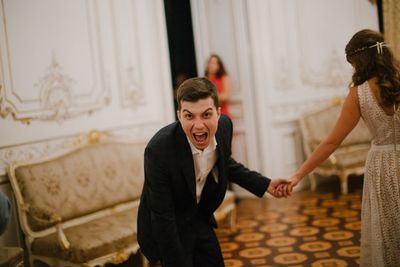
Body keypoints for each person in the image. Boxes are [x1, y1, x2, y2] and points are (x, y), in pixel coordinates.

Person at [137, 77, 290, 267]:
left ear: (218, 113)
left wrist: (265, 183)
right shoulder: (158, 150)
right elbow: (162, 215)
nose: (199, 125)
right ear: (179, 115)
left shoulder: (224, 128)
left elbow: (226, 163)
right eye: (189, 116)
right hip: (167, 227)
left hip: (199, 217)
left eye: (206, 115)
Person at [278, 29, 400, 266]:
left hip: (381, 168)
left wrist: (297, 175)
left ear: (359, 61)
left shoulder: (359, 93)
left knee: (387, 232)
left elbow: (331, 142)